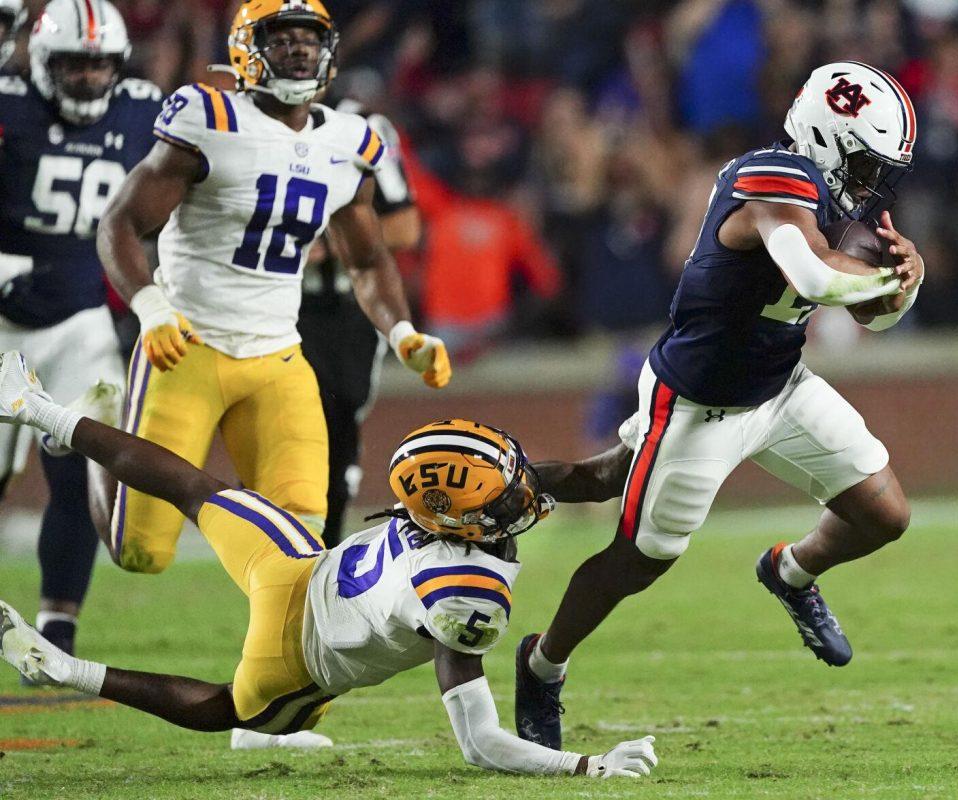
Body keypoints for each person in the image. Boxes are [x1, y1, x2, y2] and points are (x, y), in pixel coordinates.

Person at [514, 62, 925, 748]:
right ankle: (542, 665)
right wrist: (884, 273)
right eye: (865, 164)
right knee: (639, 556)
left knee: (884, 513)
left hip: (779, 384)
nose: (871, 184)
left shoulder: (825, 195)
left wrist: (905, 279)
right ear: (826, 138)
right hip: (699, 403)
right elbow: (815, 275)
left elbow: (874, 319)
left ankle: (789, 572)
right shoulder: (773, 175)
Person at [0, 352, 657, 777]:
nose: (524, 491)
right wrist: (584, 766)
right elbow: (479, 740)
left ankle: (36, 409)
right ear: (457, 519)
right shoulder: (460, 594)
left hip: (293, 562)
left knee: (194, 489)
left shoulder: (457, 501)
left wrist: (656, 426)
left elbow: (582, 477)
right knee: (233, 709)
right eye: (508, 490)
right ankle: (64, 667)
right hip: (296, 652)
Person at [96, 0, 450, 575]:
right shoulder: (207, 118)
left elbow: (368, 259)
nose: (297, 48)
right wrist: (150, 306)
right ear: (246, 50)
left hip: (277, 357)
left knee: (301, 543)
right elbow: (119, 223)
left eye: (308, 39)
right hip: (187, 345)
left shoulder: (349, 140)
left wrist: (403, 331)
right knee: (141, 553)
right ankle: (100, 448)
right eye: (281, 38)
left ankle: (281, 663)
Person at [0, 0, 161, 662]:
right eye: (74, 64)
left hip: (79, 322)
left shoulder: (144, 110)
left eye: (100, 65)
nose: (90, 79)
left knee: (81, 472)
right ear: (42, 61)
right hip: (3, 317)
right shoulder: (9, 105)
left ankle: (58, 629)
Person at [297, 97, 421, 546]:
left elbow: (405, 227)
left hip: (342, 310)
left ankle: (320, 557)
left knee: (334, 430)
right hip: (267, 301)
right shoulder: (242, 123)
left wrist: (330, 244)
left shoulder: (361, 127)